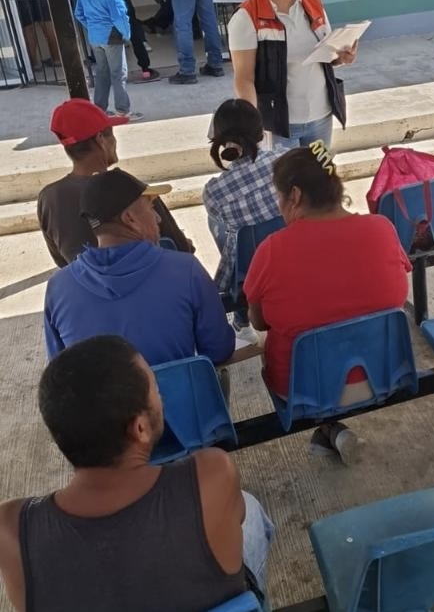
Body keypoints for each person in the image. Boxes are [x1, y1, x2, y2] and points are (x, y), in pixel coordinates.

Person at [0, 335, 273, 612]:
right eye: (155, 387)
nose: (160, 397)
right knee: (249, 509)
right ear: (140, 428)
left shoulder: (11, 530)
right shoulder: (211, 474)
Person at [244, 144, 410, 463]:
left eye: (279, 196)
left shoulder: (272, 250)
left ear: (294, 196)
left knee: (288, 341)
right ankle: (330, 431)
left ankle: (330, 429)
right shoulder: (382, 229)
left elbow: (258, 322)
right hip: (382, 375)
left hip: (304, 391)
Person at [43, 168, 256, 369]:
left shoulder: (58, 288)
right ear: (130, 219)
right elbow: (219, 350)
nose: (158, 218)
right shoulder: (185, 270)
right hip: (182, 397)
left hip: (102, 398)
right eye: (151, 207)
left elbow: (61, 369)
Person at [228, 0, 356, 149]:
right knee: (285, 173)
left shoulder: (313, 3)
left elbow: (326, 55)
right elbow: (244, 79)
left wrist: (340, 57)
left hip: (320, 115)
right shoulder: (246, 18)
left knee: (317, 171)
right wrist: (253, 122)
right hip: (279, 124)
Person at [37, 98, 193, 268]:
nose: (115, 142)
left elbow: (62, 262)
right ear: (100, 139)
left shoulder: (49, 198)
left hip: (85, 283)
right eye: (111, 134)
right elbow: (182, 248)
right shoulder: (125, 187)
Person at [203, 99, 280, 340]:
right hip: (292, 255)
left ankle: (241, 319)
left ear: (219, 139)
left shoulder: (213, 192)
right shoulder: (285, 162)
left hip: (250, 270)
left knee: (222, 225)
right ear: (261, 133)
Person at [74, 0, 141, 121]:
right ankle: (122, 111)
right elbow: (120, 17)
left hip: (95, 38)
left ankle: (99, 111)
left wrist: (92, 27)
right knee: (118, 74)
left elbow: (79, 14)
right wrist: (127, 34)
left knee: (102, 73)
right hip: (112, 37)